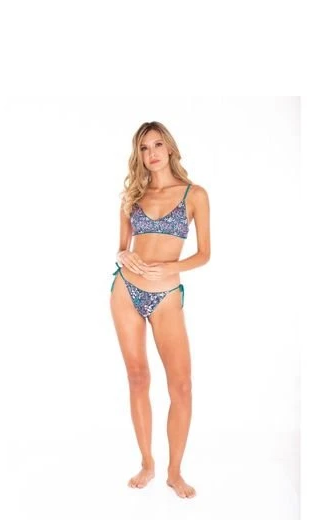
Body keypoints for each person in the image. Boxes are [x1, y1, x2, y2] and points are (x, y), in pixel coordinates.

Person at [110, 121, 211, 499]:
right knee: (137, 378)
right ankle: (147, 463)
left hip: (166, 295)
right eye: (143, 148)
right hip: (125, 291)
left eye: (156, 145)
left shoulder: (194, 194)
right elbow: (122, 248)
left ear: (169, 148)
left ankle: (174, 471)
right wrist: (123, 255)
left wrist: (172, 267)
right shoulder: (131, 196)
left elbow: (204, 254)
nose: (151, 153)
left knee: (181, 385)